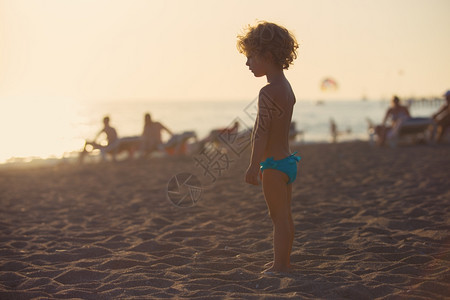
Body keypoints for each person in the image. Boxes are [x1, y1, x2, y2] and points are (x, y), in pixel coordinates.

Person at [237, 21, 300, 274]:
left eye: (251, 57)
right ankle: (283, 261)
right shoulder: (286, 88)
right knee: (286, 217)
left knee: (278, 218)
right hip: (287, 163)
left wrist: (254, 166)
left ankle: (280, 266)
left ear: (268, 55)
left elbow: (261, 133)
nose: (247, 63)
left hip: (272, 166)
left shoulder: (267, 92)